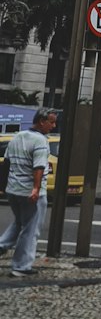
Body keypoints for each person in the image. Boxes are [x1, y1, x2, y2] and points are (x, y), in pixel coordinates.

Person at [0, 108, 56, 278]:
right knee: (31, 229)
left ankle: (1, 246)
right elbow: (38, 167)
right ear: (41, 121)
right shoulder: (40, 141)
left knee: (19, 222)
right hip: (30, 192)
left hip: (13, 190)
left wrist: (3, 186)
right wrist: (36, 189)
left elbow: (6, 163)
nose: (53, 126)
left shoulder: (18, 136)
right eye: (51, 122)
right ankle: (21, 266)